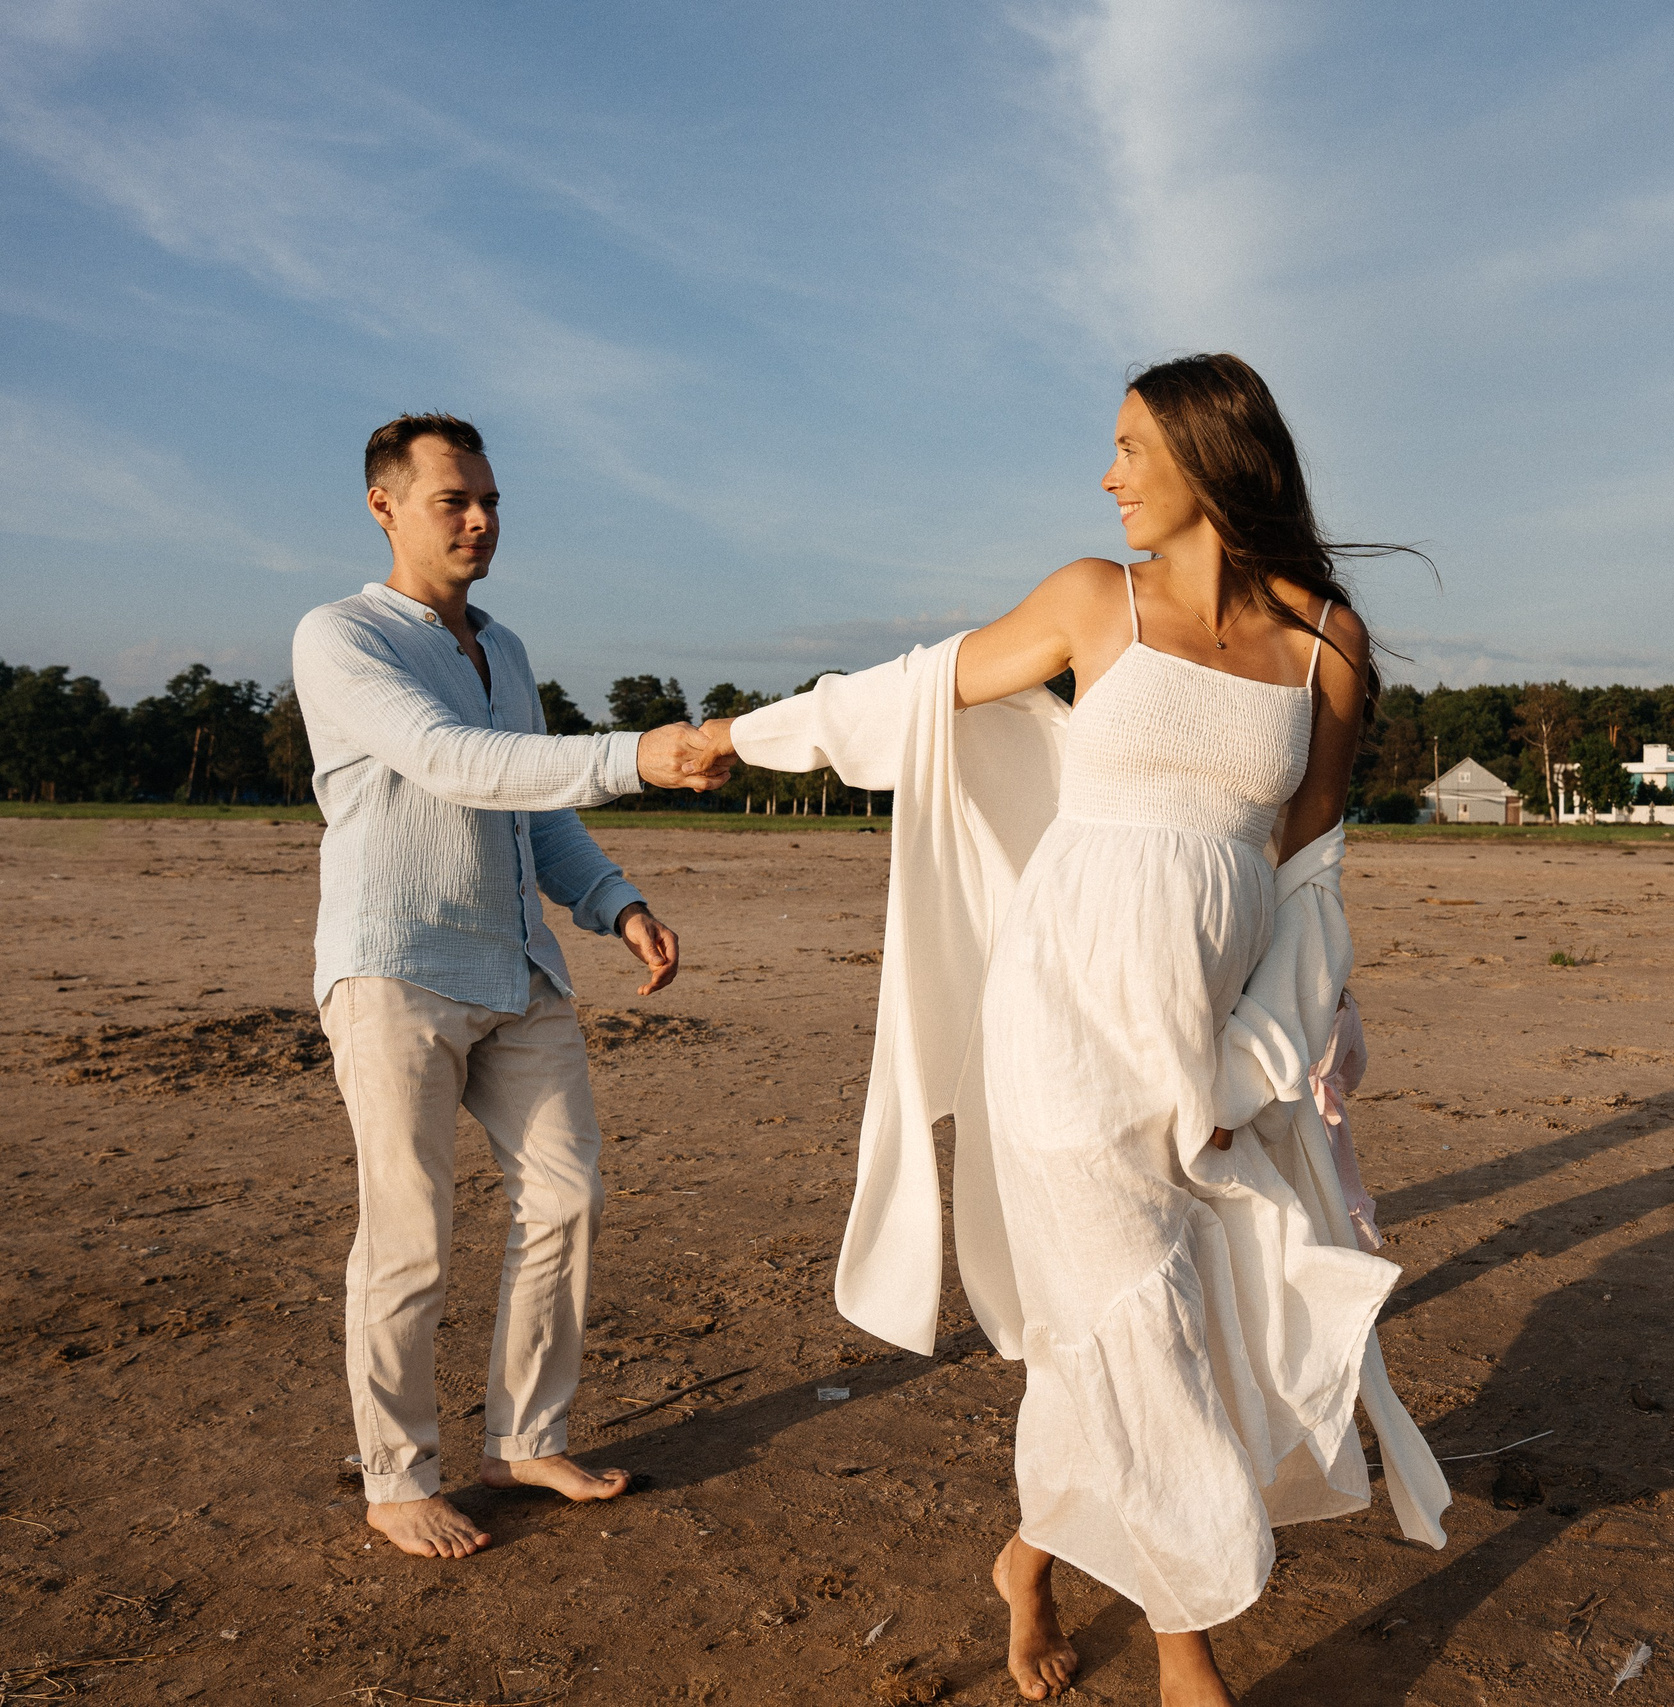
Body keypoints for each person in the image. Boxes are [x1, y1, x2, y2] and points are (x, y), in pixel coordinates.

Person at [693, 355, 1449, 1705]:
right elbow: (912, 690)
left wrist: (1267, 1042)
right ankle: (1185, 1656)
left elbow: (1308, 857)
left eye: (1130, 447)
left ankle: (1029, 1557)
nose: (1107, 476)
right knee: (1133, 1316)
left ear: (1221, 458)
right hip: (1054, 1014)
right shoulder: (1094, 601)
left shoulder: (1326, 639)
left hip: (1197, 1029)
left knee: (1167, 1314)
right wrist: (738, 734)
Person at [292, 413, 733, 1559]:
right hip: (395, 967)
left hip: (518, 967)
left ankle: (524, 1437)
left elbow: (538, 813)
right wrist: (639, 751)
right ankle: (397, 1477)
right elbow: (452, 759)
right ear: (384, 505)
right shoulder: (340, 637)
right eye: (454, 500)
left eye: (489, 499)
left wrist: (616, 905)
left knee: (568, 1196)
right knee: (410, 1231)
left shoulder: (511, 649)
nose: (481, 519)